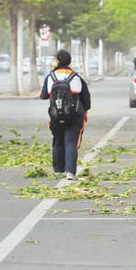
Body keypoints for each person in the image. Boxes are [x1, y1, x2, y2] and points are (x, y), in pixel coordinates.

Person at [40, 50, 91, 180]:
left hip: (56, 115)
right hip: (74, 115)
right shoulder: (76, 77)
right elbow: (86, 99)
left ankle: (58, 170)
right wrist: (84, 111)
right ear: (69, 61)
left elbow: (43, 95)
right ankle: (70, 172)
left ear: (57, 61)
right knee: (71, 142)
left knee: (57, 141)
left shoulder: (51, 76)